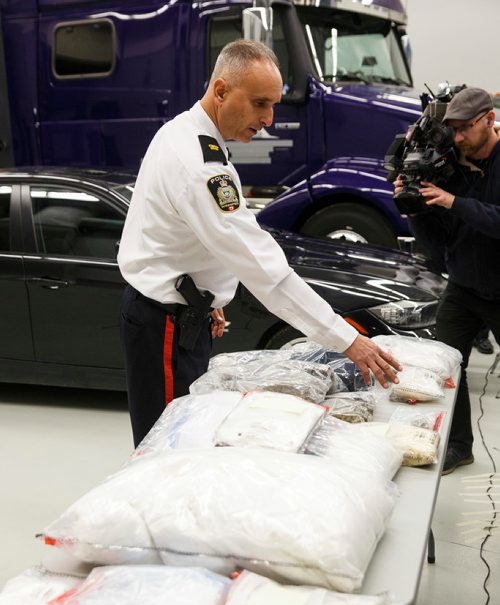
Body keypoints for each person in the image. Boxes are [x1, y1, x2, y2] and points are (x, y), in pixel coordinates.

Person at [118, 39, 400, 447]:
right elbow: (266, 272)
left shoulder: (185, 132)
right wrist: (347, 340)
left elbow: (170, 231)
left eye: (273, 105)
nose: (268, 118)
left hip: (182, 314)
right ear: (220, 91)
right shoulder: (199, 165)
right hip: (164, 323)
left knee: (187, 435)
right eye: (259, 103)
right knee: (166, 448)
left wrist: (208, 296)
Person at [395, 86, 500, 474]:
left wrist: (454, 202)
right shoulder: (450, 167)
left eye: (464, 129)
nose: (457, 139)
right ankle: (458, 446)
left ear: (489, 120)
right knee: (446, 369)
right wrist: (416, 209)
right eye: (451, 130)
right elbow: (438, 248)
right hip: (463, 288)